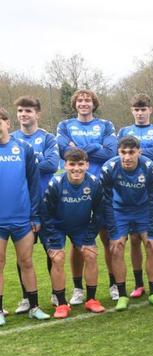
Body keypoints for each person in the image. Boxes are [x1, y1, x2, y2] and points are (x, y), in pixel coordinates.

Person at [55, 89, 118, 300]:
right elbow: (65, 152)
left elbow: (110, 152)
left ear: (94, 104)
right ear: (74, 104)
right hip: (75, 191)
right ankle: (78, 289)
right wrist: (95, 147)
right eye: (80, 100)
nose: (83, 103)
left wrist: (79, 148)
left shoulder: (106, 125)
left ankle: (114, 284)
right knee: (77, 242)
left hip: (103, 190)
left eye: (87, 100)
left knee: (107, 239)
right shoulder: (64, 126)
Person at [40, 148, 106, 318]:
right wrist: (53, 239)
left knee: (91, 255)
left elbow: (99, 213)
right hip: (57, 226)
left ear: (87, 165)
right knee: (58, 258)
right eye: (72, 164)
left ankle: (91, 300)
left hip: (81, 227)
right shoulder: (55, 183)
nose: (76, 168)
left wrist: (90, 235)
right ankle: (61, 304)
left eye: (80, 164)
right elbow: (46, 214)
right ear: (65, 165)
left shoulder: (94, 183)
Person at [101, 136, 153, 310]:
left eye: (131, 152)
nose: (127, 157)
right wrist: (113, 233)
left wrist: (152, 233)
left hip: (143, 210)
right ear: (118, 152)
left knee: (152, 245)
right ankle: (122, 295)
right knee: (116, 247)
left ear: (139, 152)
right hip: (120, 210)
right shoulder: (109, 168)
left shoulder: (150, 168)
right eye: (123, 152)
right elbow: (106, 202)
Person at [0, 107, 49, 324]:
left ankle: (34, 306)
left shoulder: (23, 148)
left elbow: (33, 183)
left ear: (7, 123)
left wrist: (35, 215)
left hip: (22, 219)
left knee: (27, 262)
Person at [11, 96, 60, 313]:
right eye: (20, 110)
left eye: (28, 111)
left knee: (52, 250)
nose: (24, 114)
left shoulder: (48, 138)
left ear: (37, 114)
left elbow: (51, 164)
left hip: (46, 203)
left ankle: (55, 293)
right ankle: (26, 298)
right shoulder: (10, 139)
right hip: (21, 206)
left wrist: (25, 164)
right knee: (24, 255)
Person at [118, 94, 153, 298]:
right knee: (134, 240)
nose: (140, 113)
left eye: (143, 109)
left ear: (150, 110)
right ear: (132, 111)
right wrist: (140, 151)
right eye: (136, 109)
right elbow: (120, 154)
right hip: (131, 191)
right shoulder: (123, 131)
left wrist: (138, 152)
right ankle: (139, 283)